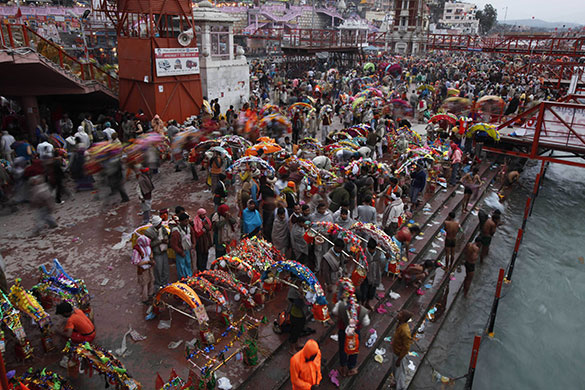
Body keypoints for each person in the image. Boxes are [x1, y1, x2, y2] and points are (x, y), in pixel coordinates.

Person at [332, 286, 370, 377]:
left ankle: (343, 367)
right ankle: (351, 367)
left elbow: (334, 312)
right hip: (355, 334)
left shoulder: (341, 305)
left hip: (343, 332)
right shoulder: (362, 310)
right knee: (354, 350)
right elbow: (366, 322)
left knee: (342, 348)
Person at [144, 216, 170, 290]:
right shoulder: (149, 232)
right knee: (158, 270)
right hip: (157, 253)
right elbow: (149, 244)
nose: (161, 224)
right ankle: (158, 285)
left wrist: (166, 240)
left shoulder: (163, 228)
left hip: (164, 251)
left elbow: (166, 236)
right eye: (159, 223)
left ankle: (165, 284)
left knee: (165, 269)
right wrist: (160, 241)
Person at [390, 310, 413, 390]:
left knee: (400, 373)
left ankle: (400, 387)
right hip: (396, 350)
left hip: (399, 354)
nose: (398, 314)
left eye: (400, 314)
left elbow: (406, 347)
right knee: (395, 370)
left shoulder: (405, 331)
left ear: (403, 318)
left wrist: (399, 359)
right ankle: (396, 383)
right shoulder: (400, 324)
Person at [287, 282, 310, 355]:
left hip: (302, 315)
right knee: (294, 332)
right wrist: (301, 296)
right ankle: (292, 348)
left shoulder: (302, 287)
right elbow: (298, 304)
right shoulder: (293, 291)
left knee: (299, 329)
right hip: (295, 315)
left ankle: (297, 343)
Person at [131, 235, 155, 303]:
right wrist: (147, 262)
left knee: (152, 279)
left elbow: (151, 253)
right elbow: (136, 262)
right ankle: (145, 298)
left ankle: (151, 293)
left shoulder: (147, 246)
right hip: (143, 269)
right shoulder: (136, 250)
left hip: (149, 266)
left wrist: (151, 257)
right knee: (145, 283)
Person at [361, 238, 383, 310]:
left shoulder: (379, 251)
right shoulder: (363, 252)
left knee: (372, 291)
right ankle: (362, 304)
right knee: (364, 291)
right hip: (366, 274)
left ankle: (367, 303)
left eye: (373, 249)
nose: (372, 251)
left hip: (375, 273)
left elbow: (382, 260)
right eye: (370, 249)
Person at [170, 213, 194, 279]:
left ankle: (189, 279)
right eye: (185, 221)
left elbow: (193, 235)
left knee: (188, 265)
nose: (187, 222)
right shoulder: (176, 231)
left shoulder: (189, 227)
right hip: (180, 252)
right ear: (181, 221)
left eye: (187, 221)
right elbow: (173, 245)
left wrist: (193, 244)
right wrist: (180, 252)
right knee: (181, 268)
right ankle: (183, 281)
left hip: (187, 251)